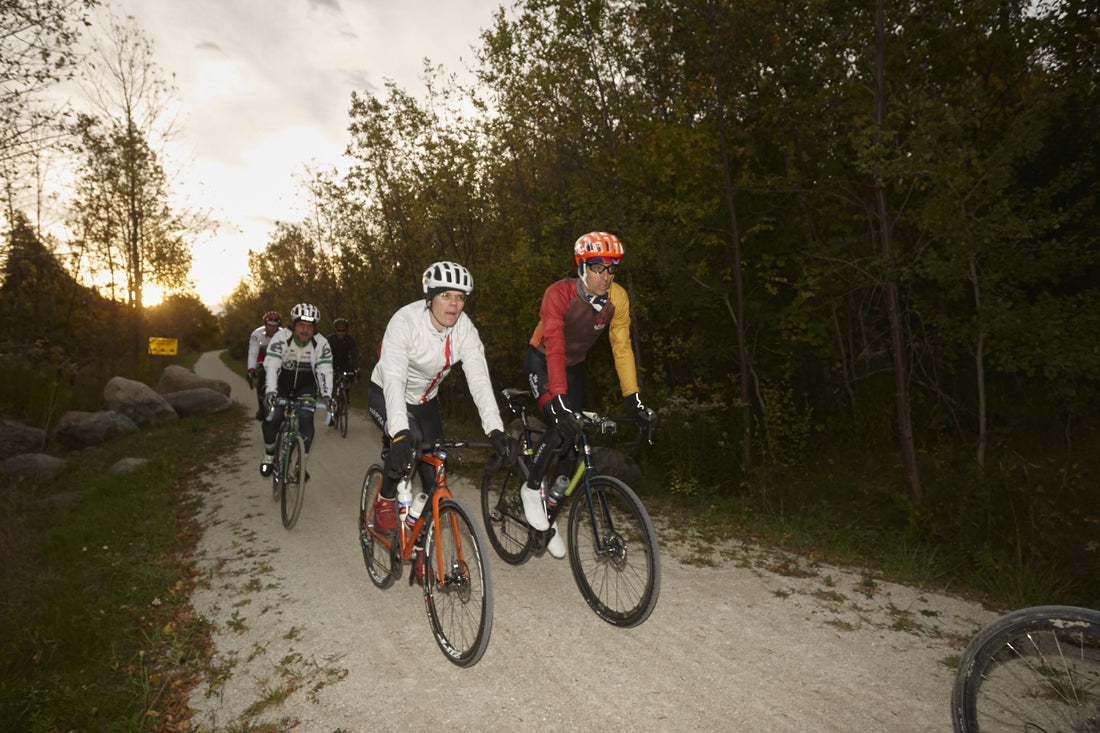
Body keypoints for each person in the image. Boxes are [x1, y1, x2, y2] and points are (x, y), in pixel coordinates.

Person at [520, 231, 655, 559]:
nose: (605, 276)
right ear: (582, 267)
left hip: (574, 367)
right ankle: (530, 488)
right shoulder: (558, 294)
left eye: (612, 269)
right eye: (597, 268)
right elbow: (554, 346)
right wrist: (559, 401)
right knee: (560, 424)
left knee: (574, 442)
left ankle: (550, 513)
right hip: (542, 360)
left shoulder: (617, 299)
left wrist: (634, 400)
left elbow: (621, 347)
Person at [367, 262, 513, 556]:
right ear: (429, 297)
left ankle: (422, 547)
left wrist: (494, 429)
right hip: (386, 393)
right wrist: (399, 431)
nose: (454, 304)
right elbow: (394, 378)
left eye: (460, 297)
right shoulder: (405, 321)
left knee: (435, 481)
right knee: (410, 443)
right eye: (446, 295)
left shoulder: (464, 329)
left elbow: (479, 380)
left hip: (425, 402)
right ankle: (385, 498)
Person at [259, 303, 334, 477]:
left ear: (314, 328)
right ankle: (269, 454)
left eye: (309, 326)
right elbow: (272, 365)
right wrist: (271, 392)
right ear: (293, 325)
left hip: (306, 385)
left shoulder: (321, 343)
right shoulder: (281, 338)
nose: (305, 330)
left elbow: (325, 370)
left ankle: (301, 463)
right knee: (274, 416)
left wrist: (327, 396)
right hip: (281, 384)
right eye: (301, 325)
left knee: (307, 419)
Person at [246, 310, 283, 420]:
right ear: (265, 324)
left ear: (278, 325)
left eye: (274, 325)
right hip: (262, 358)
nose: (272, 328)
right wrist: (251, 369)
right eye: (269, 325)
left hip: (278, 358)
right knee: (261, 376)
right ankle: (261, 407)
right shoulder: (256, 334)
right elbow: (253, 353)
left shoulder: (284, 334)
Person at [326, 317, 359, 415]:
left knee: (350, 373)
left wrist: (356, 369)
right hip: (332, 362)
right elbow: (324, 355)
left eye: (343, 330)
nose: (341, 332)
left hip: (344, 362)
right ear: (335, 330)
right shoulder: (329, 339)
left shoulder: (350, 340)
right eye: (339, 330)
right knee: (331, 382)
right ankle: (331, 403)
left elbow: (354, 355)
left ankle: (346, 393)